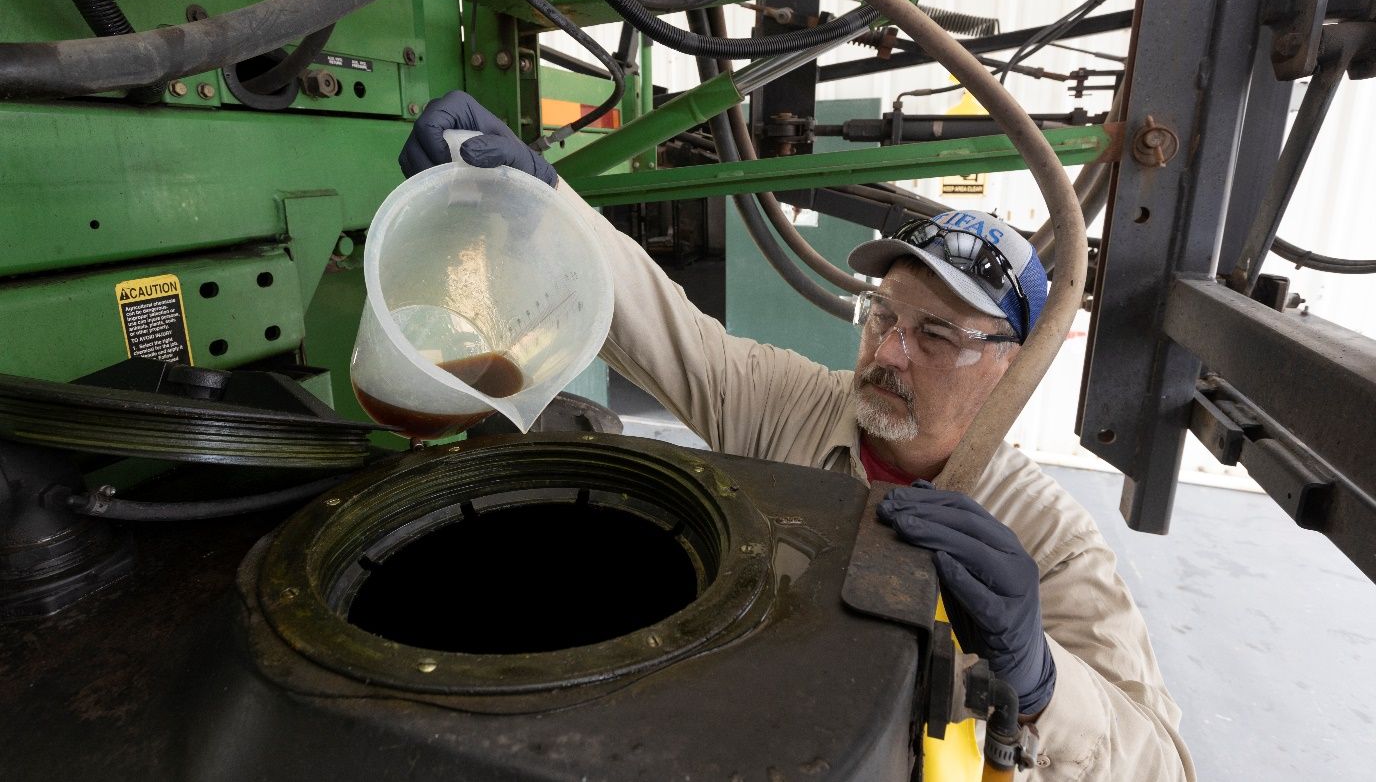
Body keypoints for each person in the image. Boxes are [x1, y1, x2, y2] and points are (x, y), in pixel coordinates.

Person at [399, 92, 1196, 782]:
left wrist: (1042, 676)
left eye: (937, 336)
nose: (888, 352)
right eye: (883, 316)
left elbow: (1162, 762)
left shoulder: (1047, 541)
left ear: (1013, 368)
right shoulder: (796, 405)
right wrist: (546, 202)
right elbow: (669, 331)